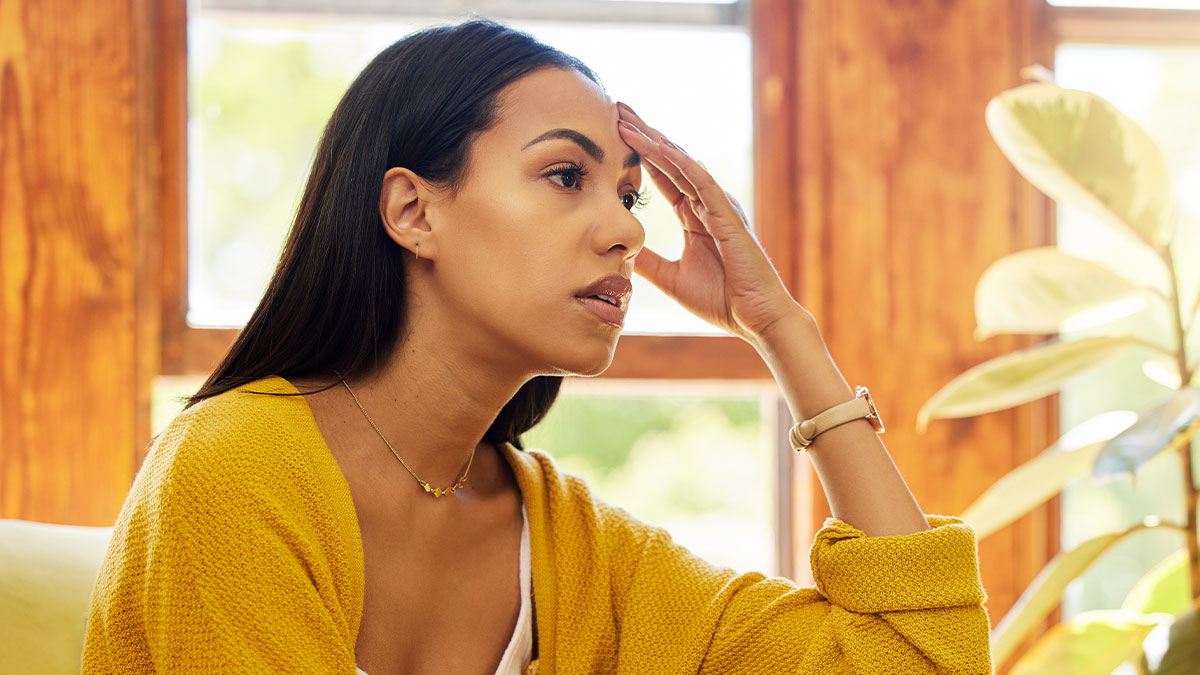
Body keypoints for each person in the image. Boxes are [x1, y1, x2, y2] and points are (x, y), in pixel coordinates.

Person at [82, 18, 992, 675]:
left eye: (630, 195)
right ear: (413, 210)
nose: (625, 233)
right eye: (566, 175)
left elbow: (921, 659)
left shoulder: (568, 546)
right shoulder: (232, 470)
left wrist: (783, 330)